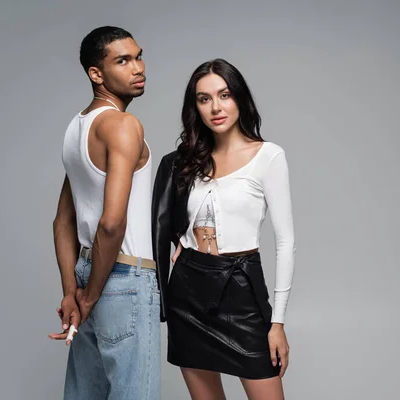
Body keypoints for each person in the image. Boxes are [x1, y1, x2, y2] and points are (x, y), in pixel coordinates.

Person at [152, 58, 295, 400]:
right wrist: (180, 242)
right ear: (195, 107)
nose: (215, 107)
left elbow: (285, 242)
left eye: (224, 95)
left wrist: (277, 322)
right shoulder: (183, 162)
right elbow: (165, 219)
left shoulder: (268, 157)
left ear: (239, 99)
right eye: (204, 99)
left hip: (241, 289)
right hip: (187, 291)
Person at [48, 26, 161, 400]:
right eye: (123, 60)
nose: (137, 67)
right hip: (123, 277)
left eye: (138, 56)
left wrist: (72, 291)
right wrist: (91, 296)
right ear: (96, 74)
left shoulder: (75, 128)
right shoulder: (123, 126)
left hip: (86, 274)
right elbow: (111, 223)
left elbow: (62, 221)